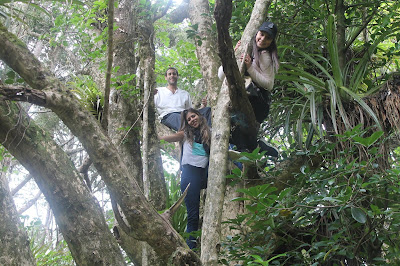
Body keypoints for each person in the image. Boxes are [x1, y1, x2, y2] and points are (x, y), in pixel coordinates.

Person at [218, 21, 279, 157]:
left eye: (267, 38)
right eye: (261, 34)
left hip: (259, 101)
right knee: (229, 122)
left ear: (271, 42)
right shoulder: (247, 48)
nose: (262, 39)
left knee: (233, 118)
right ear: (257, 33)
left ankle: (243, 148)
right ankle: (256, 146)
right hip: (246, 97)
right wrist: (231, 54)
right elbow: (221, 75)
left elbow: (269, 84)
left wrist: (250, 67)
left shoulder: (264, 55)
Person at [159, 108, 211, 249]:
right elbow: (171, 138)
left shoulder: (208, 133)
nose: (192, 120)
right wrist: (156, 139)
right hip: (190, 175)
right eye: (189, 119)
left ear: (199, 116)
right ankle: (191, 249)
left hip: (204, 174)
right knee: (193, 215)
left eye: (193, 116)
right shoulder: (186, 134)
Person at [154, 67, 211, 131]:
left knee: (207, 110)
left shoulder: (185, 93)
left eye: (174, 74)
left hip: (184, 115)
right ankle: (194, 137)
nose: (172, 75)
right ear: (166, 77)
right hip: (168, 116)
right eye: (169, 74)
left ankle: (209, 132)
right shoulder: (158, 91)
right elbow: (150, 106)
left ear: (177, 76)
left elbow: (191, 111)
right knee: (180, 118)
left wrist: (203, 106)